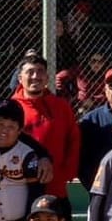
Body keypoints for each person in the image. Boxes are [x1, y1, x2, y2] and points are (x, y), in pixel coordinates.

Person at [13, 53, 78, 201]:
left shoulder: (61, 106)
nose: (36, 76)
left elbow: (73, 139)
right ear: (20, 79)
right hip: (20, 188)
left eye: (40, 71)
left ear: (48, 78)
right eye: (30, 72)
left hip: (56, 187)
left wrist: (66, 173)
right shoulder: (10, 108)